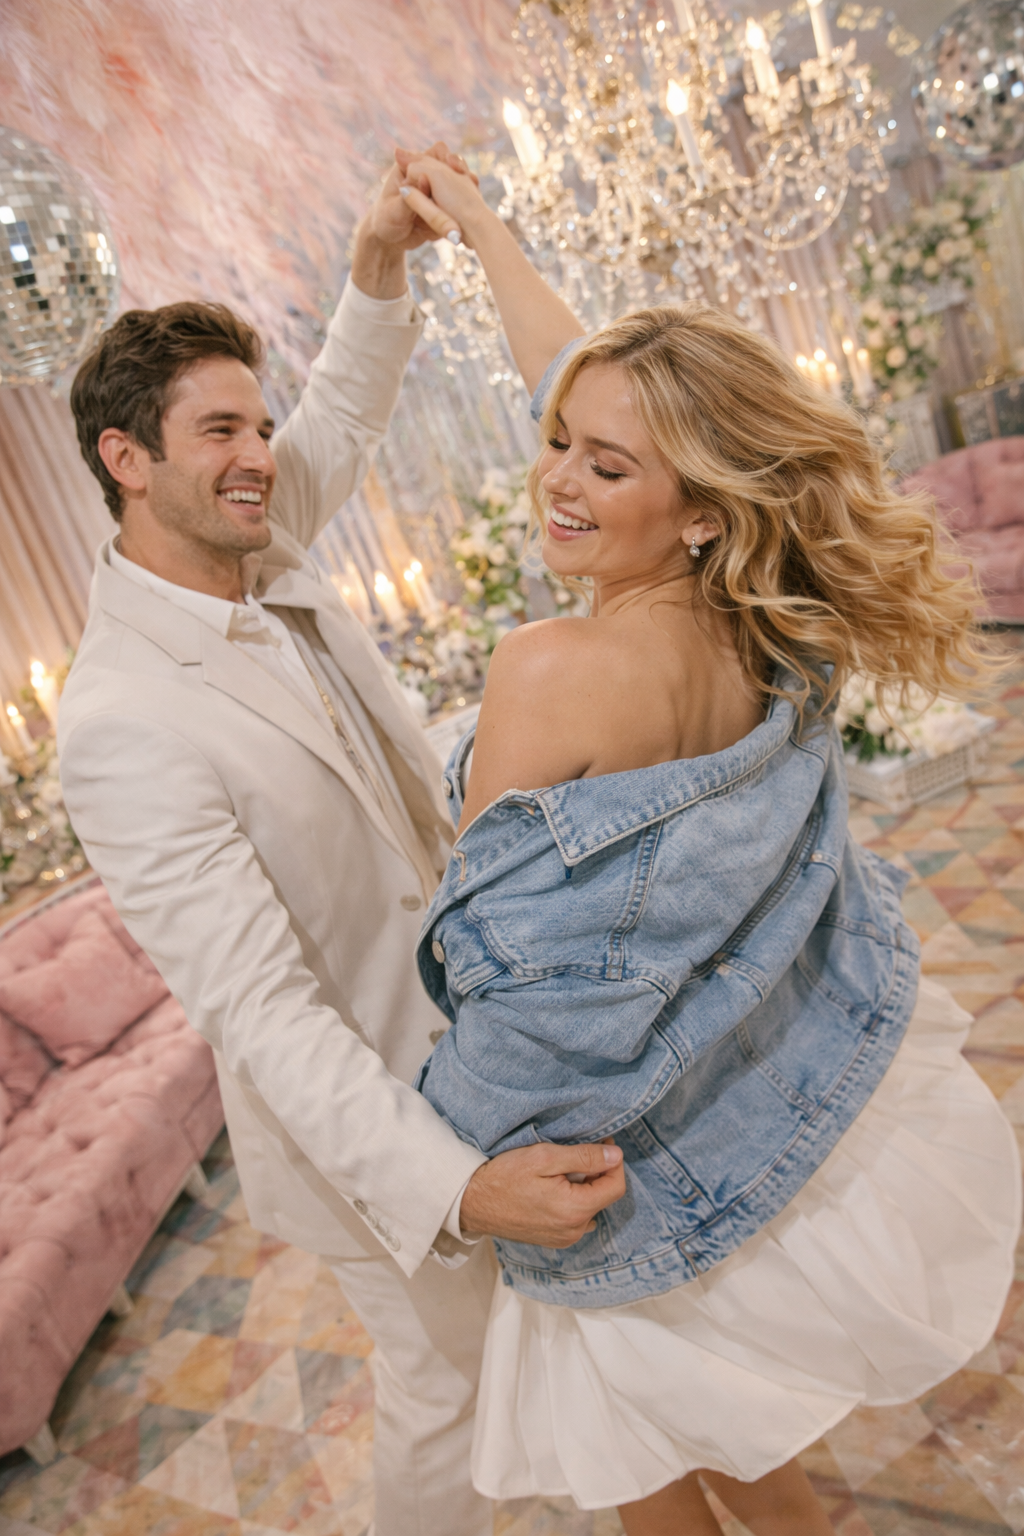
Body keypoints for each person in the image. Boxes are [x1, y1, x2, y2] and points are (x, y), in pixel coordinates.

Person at [396, 157, 1022, 1534]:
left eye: (599, 465)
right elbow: (598, 389)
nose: (553, 478)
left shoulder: (546, 669)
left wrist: (452, 1171)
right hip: (725, 1117)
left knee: (653, 1477)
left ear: (695, 507)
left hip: (594, 1168)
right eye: (558, 438)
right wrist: (485, 233)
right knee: (736, 1454)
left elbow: (506, 974)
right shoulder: (770, 622)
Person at [56, 146, 626, 1536]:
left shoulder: (255, 541)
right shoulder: (122, 723)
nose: (260, 457)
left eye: (259, 427)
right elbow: (262, 1015)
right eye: (220, 434)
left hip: (472, 1046)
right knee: (448, 1397)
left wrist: (377, 267)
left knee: (532, 1360)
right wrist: (457, 1186)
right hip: (371, 1131)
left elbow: (348, 413)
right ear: (127, 463)